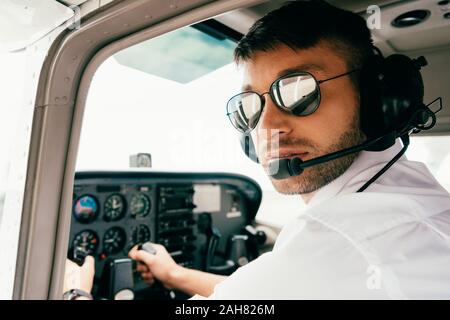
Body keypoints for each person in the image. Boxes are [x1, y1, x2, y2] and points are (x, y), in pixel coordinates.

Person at [64, 0, 450, 299]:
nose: (266, 126)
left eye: (299, 91)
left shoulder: (339, 240)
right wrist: (175, 275)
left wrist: (75, 290)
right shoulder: (414, 196)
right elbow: (255, 296)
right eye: (251, 105)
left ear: (376, 99)